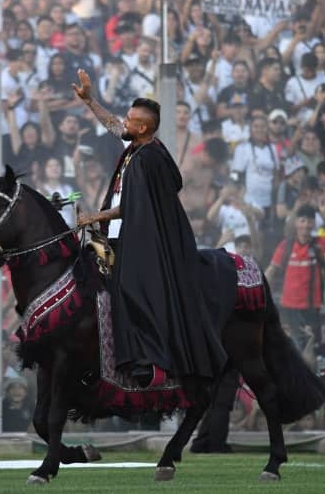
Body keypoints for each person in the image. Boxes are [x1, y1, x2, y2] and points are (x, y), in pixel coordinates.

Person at [72, 68, 226, 387]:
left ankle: (150, 362)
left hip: (147, 244)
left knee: (130, 288)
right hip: (129, 235)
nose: (124, 123)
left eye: (130, 121)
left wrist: (91, 218)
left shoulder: (145, 160)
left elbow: (132, 208)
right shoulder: (139, 146)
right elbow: (114, 126)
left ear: (142, 128)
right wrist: (90, 102)